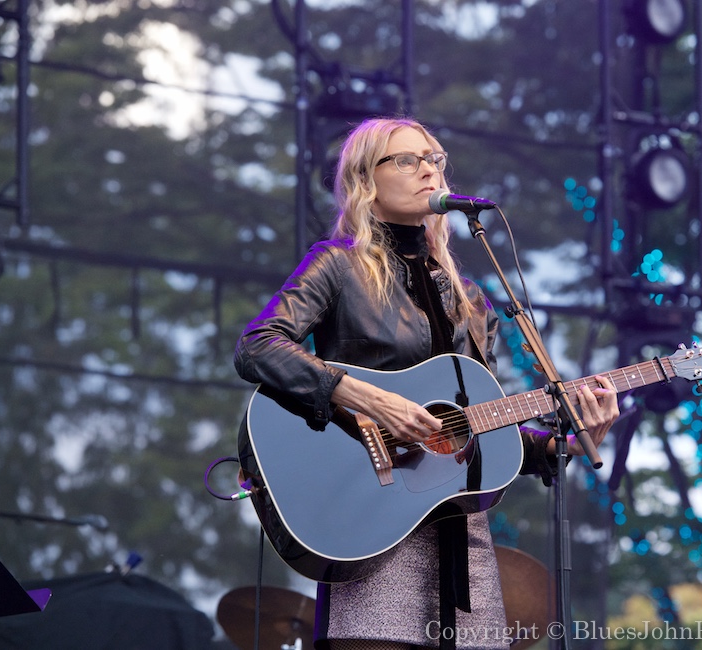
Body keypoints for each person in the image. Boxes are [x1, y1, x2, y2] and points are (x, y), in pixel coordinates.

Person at [233, 116, 619, 650]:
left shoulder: (470, 300)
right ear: (366, 179)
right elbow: (258, 346)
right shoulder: (337, 265)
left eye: (434, 159)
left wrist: (571, 442)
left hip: (462, 541)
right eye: (407, 160)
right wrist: (357, 393)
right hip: (371, 521)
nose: (428, 171)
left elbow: (481, 428)